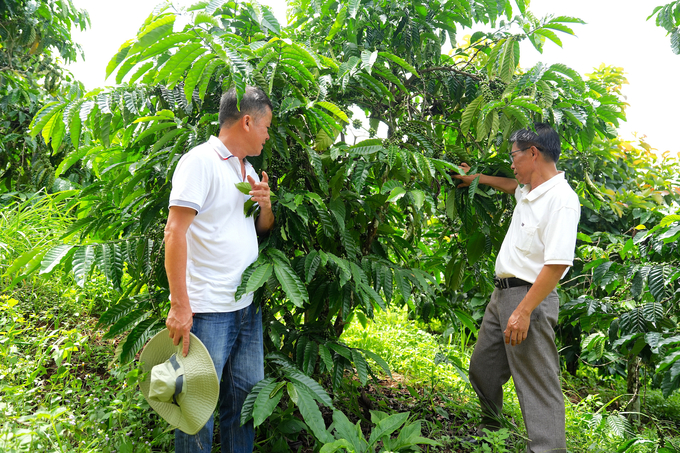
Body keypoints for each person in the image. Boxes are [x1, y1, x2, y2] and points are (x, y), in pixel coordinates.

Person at [453, 123, 580, 453]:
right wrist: (475, 179)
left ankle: (548, 449)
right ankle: (491, 433)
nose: (512, 163)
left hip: (529, 299)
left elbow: (556, 264)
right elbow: (512, 186)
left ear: (533, 153)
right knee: (483, 369)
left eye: (514, 155)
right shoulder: (531, 189)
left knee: (537, 383)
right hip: (502, 296)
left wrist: (524, 311)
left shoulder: (562, 200)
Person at [163, 85, 274, 453]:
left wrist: (266, 205)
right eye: (266, 126)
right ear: (247, 121)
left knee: (244, 400)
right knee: (196, 408)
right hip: (209, 310)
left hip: (246, 307)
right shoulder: (200, 161)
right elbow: (174, 231)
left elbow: (259, 229)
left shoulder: (248, 169)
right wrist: (180, 306)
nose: (268, 134)